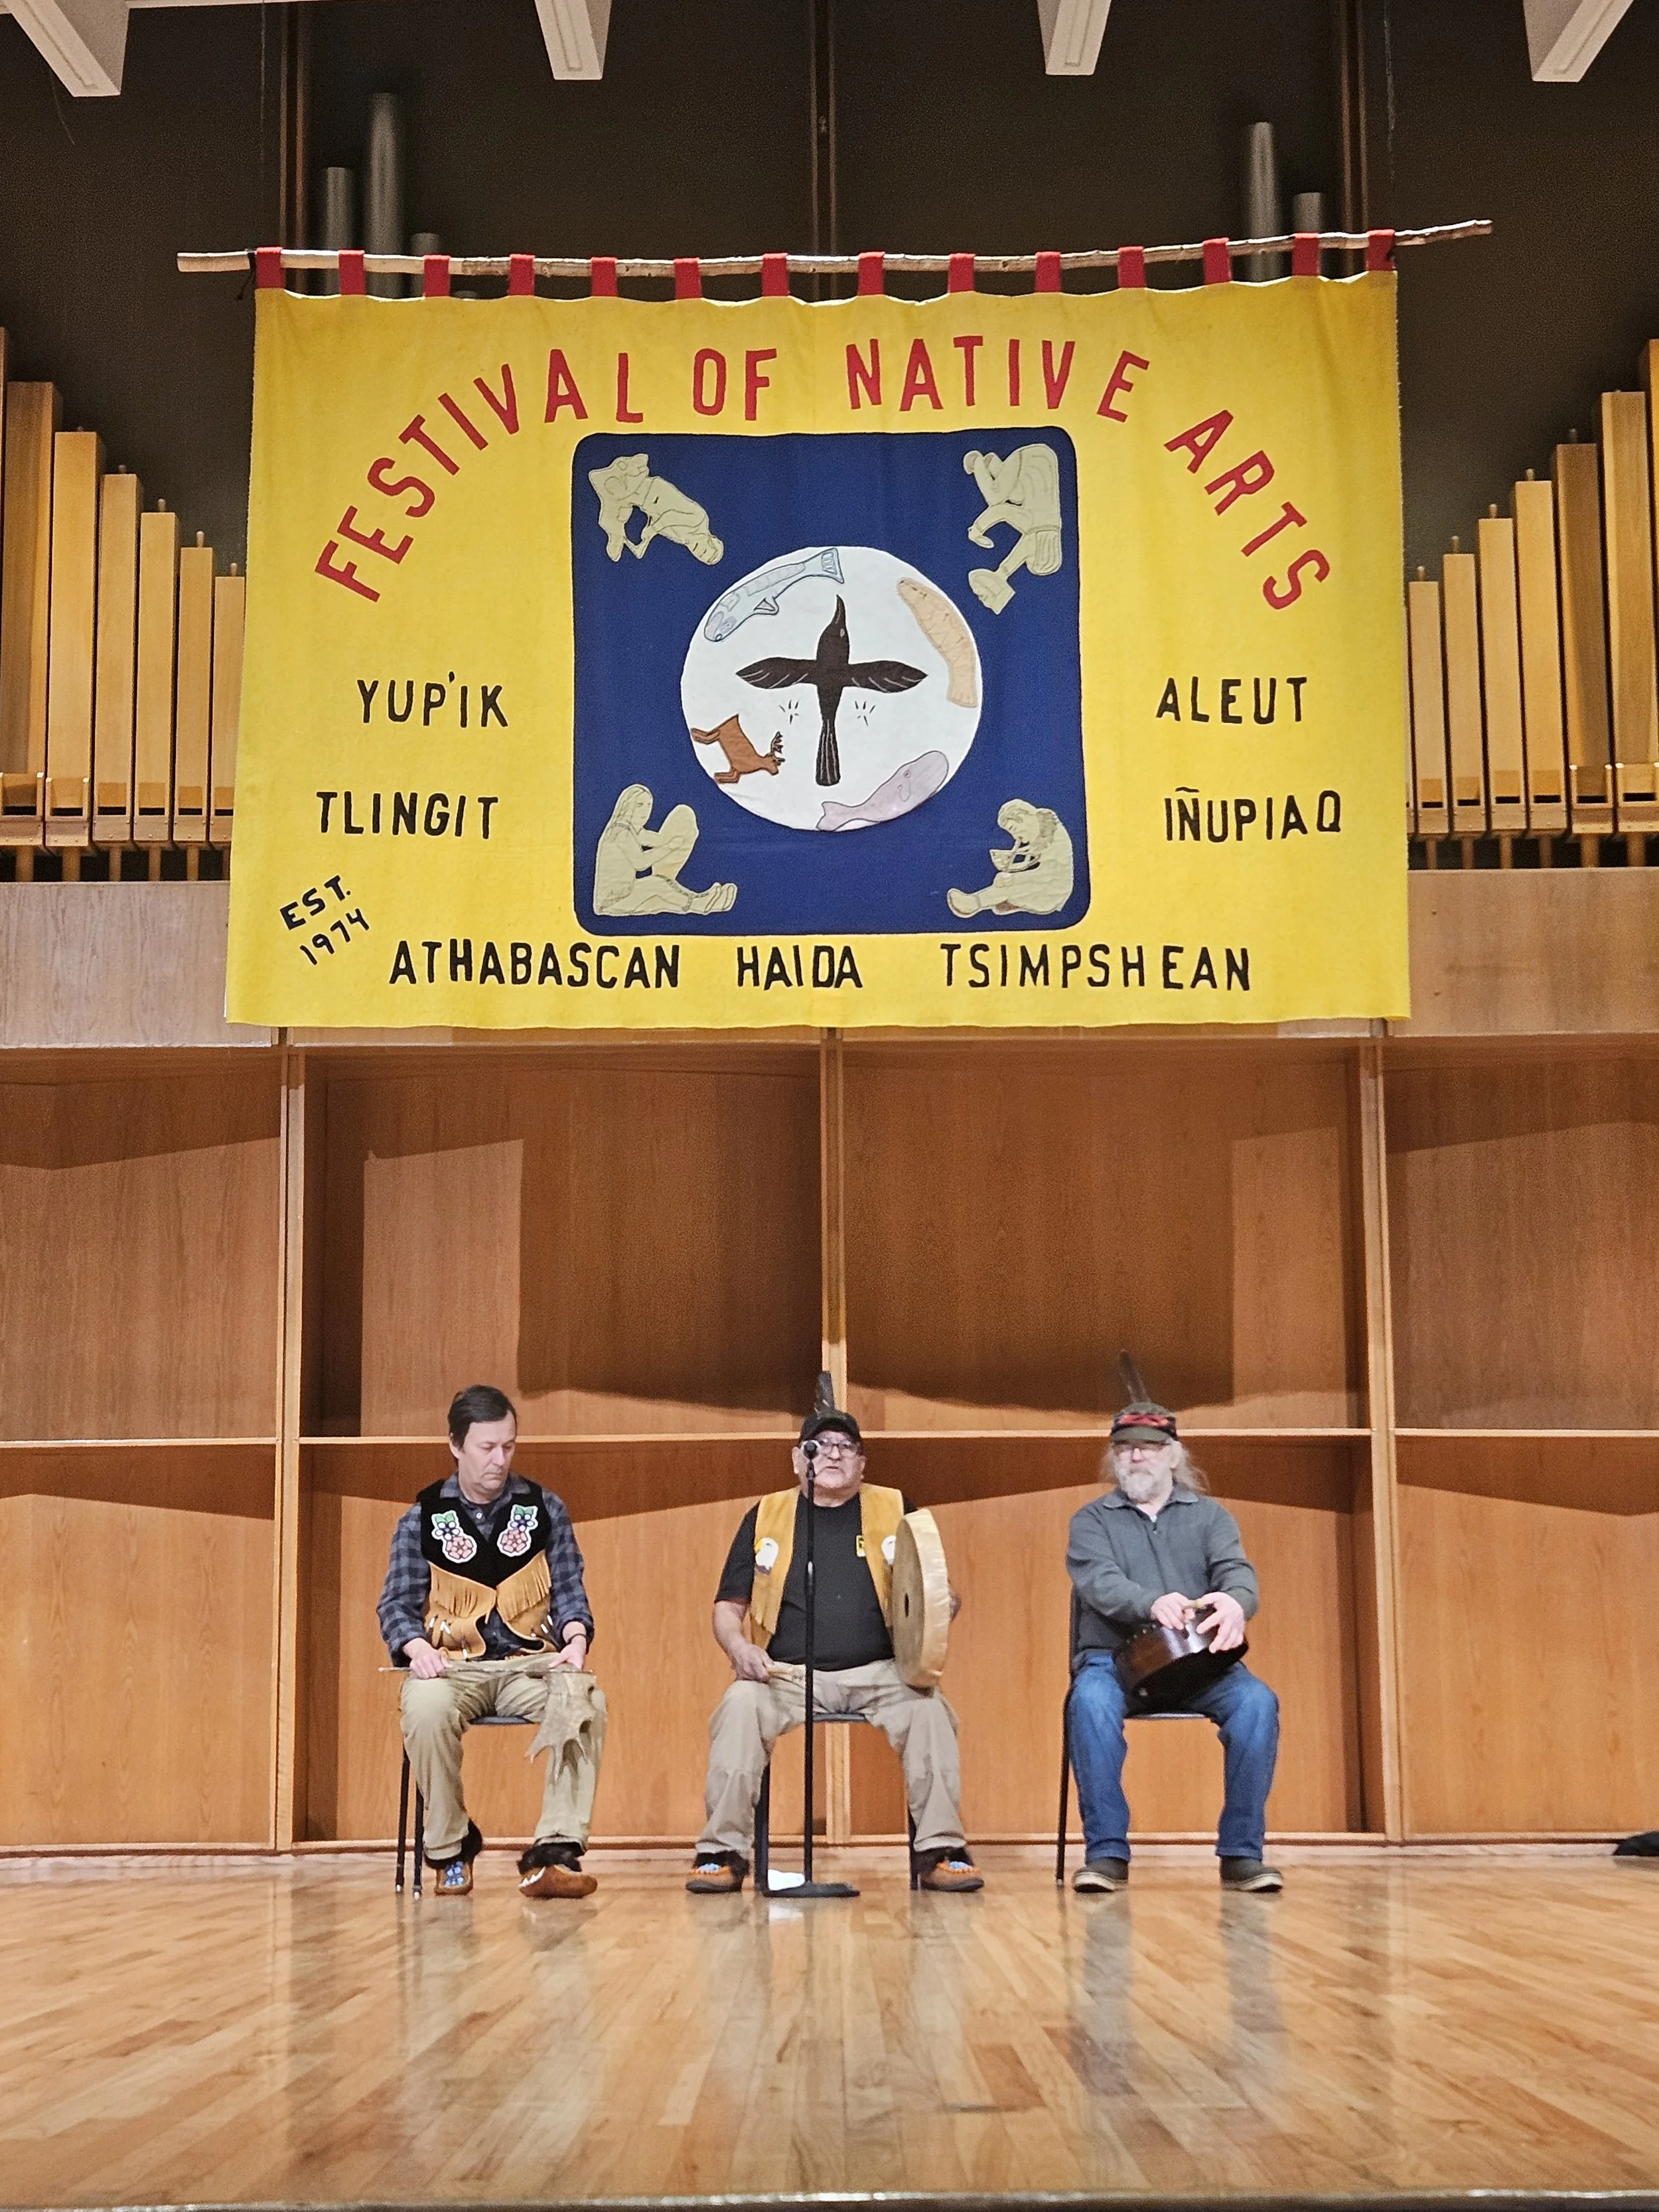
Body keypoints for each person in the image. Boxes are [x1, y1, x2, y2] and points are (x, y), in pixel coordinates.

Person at [687, 1382, 981, 1894]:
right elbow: (728, 1609)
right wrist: (739, 1648)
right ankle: (723, 1852)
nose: (833, 1454)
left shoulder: (896, 1507)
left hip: (883, 1672)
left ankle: (940, 1850)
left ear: (862, 1463)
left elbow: (933, 1586)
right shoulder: (766, 1514)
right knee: (738, 1706)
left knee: (930, 1709)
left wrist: (941, 1605)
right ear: (797, 1458)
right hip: (784, 1674)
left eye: (847, 1446)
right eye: (819, 1445)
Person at [378, 1383, 607, 1899]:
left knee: (586, 1699)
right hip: (452, 1667)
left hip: (530, 1665)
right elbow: (395, 1605)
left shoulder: (545, 1508)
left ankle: (556, 1851)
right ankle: (451, 1847)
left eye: (508, 1446)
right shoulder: (422, 1517)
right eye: (487, 1447)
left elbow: (570, 1590)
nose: (499, 1460)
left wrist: (575, 1640)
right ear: (456, 1445)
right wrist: (416, 1648)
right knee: (426, 1709)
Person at [1064, 1377, 1282, 1895]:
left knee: (1257, 1703)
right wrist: (1151, 1602)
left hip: (1197, 1662)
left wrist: (1237, 1601)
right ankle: (1106, 1854)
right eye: (1125, 1447)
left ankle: (1242, 1854)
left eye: (1148, 1446)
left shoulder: (1211, 1517)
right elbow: (1099, 1581)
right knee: (1089, 1702)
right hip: (1114, 1662)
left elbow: (1237, 1572)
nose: (1136, 1456)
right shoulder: (1091, 1520)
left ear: (1173, 1456)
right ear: (1114, 1457)